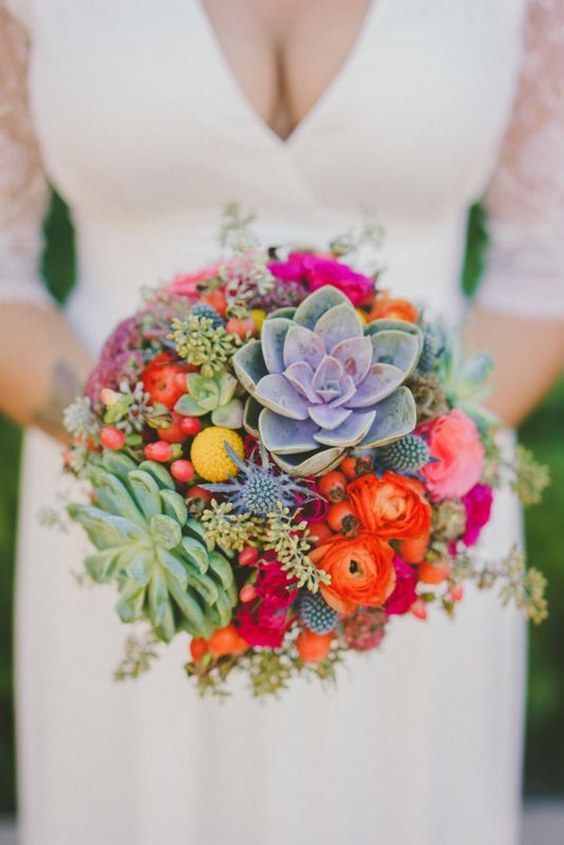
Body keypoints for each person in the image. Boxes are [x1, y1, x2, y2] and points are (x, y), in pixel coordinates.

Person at [1, 1, 563, 843]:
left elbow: (544, 268)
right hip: (134, 528)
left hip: (403, 543)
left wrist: (387, 485)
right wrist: (147, 460)